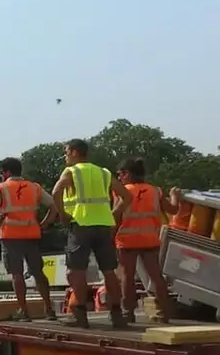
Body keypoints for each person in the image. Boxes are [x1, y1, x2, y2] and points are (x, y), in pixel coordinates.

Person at [51, 139, 133, 328]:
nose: (65, 156)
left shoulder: (72, 171)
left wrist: (63, 214)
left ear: (73, 152)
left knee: (76, 272)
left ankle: (80, 313)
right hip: (104, 225)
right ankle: (116, 314)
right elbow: (127, 196)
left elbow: (56, 191)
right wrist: (112, 214)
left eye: (66, 152)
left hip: (80, 224)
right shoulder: (103, 172)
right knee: (109, 272)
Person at [0, 157, 58, 321]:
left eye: (1, 173)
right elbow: (53, 206)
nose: (1, 176)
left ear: (6, 172)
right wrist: (45, 223)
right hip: (32, 234)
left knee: (17, 274)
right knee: (38, 272)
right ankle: (49, 309)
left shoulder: (1, 188)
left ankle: (24, 311)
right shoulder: (34, 187)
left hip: (10, 235)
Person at [114, 157, 177, 323]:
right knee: (156, 275)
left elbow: (116, 216)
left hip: (127, 239)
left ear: (127, 174)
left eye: (120, 174)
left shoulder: (121, 191)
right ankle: (164, 312)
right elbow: (174, 209)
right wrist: (174, 195)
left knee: (127, 275)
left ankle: (128, 313)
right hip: (150, 239)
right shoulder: (155, 191)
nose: (119, 178)